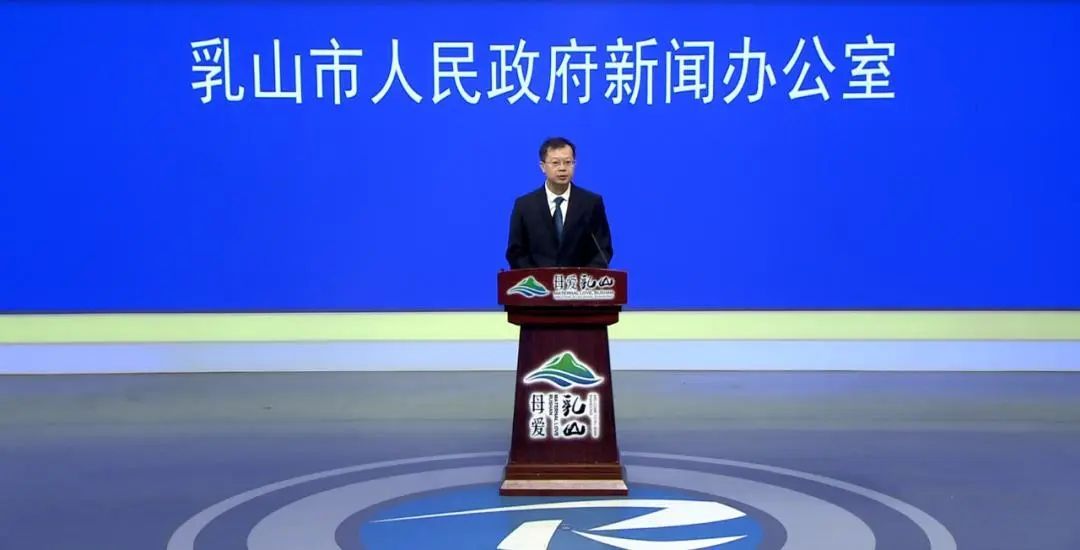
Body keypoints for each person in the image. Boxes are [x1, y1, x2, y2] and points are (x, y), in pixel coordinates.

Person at [506, 137, 614, 269]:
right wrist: (537, 277)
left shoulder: (591, 203)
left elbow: (603, 249)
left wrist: (582, 277)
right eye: (555, 163)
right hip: (538, 280)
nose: (562, 168)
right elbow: (516, 252)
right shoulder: (525, 205)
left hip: (579, 280)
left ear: (574, 164)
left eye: (568, 162)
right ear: (542, 166)